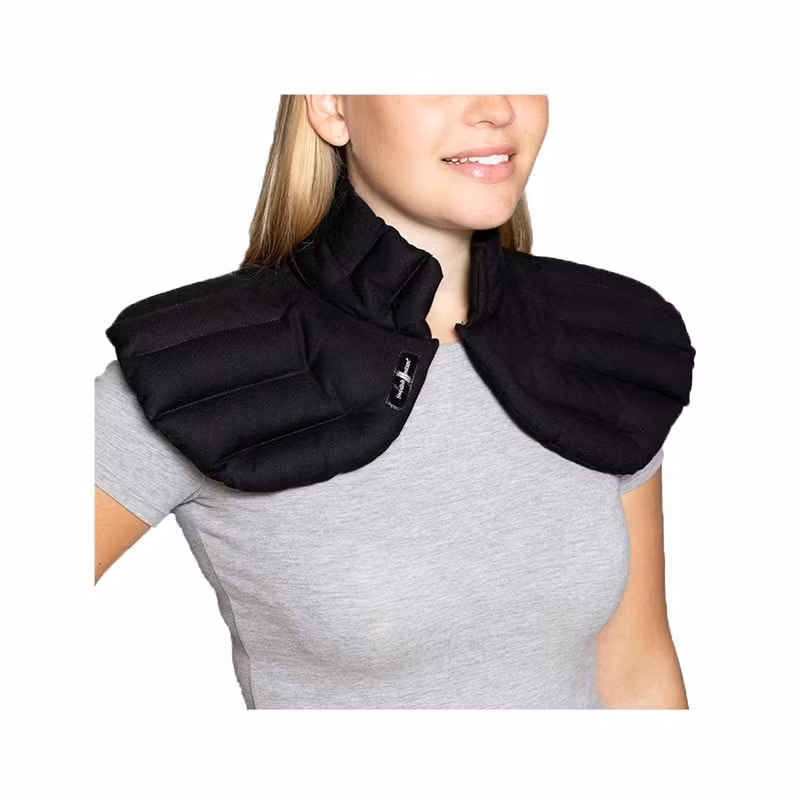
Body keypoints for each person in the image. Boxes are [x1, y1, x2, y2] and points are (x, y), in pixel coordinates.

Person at [95, 95, 690, 709]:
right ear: (332, 106)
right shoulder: (207, 369)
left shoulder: (603, 342)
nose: (495, 107)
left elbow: (637, 673)